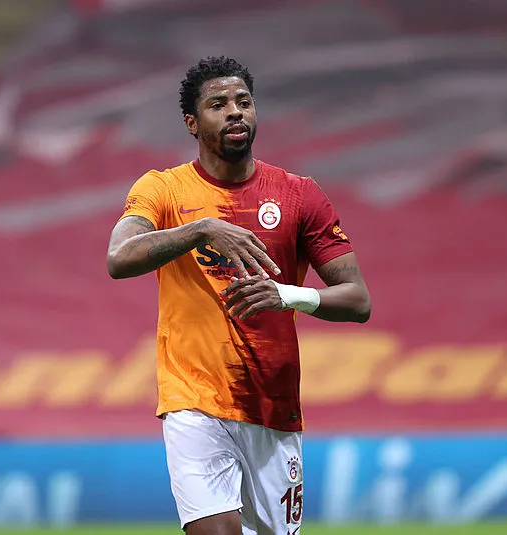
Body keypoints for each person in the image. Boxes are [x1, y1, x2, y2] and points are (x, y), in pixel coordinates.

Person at [107, 56, 371, 535]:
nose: (235, 112)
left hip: (272, 406)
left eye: (244, 102)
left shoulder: (298, 194)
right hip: (194, 398)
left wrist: (287, 294)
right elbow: (119, 257)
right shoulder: (164, 189)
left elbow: (357, 300)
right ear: (192, 122)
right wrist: (200, 229)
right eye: (218, 104)